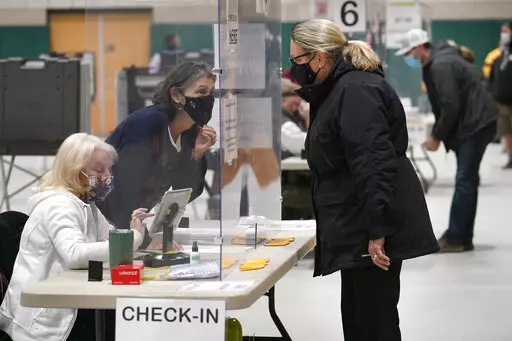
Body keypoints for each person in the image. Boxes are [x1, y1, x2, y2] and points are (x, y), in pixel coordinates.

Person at [289, 19, 439, 341]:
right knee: (358, 317)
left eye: (297, 61)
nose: (294, 69)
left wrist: (377, 231)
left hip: (370, 222)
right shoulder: (340, 88)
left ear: (319, 57)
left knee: (374, 321)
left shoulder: (355, 90)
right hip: (357, 218)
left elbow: (373, 163)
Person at [0, 133, 149, 341]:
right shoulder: (60, 205)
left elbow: (110, 237)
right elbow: (75, 254)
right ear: (75, 171)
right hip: (44, 324)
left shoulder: (87, 205)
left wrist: (131, 230)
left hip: (66, 306)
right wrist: (133, 238)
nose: (107, 176)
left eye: (109, 169)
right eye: (99, 170)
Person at [396, 29, 498, 252]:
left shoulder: (440, 65)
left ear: (421, 46)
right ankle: (462, 237)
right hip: (477, 122)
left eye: (410, 52)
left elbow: (450, 105)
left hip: (475, 124)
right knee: (467, 180)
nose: (409, 58)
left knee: (464, 180)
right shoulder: (442, 60)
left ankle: (456, 237)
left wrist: (436, 136)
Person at [98, 61, 217, 249]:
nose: (208, 100)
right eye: (201, 92)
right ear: (176, 95)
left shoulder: (190, 132)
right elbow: (123, 193)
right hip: (101, 221)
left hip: (129, 224)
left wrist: (196, 155)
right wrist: (145, 242)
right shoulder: (147, 124)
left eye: (211, 93)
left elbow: (186, 192)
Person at [280, 78, 313, 220]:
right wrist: (308, 118)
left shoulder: (289, 119)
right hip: (289, 187)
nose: (298, 104)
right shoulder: (284, 125)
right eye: (294, 100)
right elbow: (309, 144)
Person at [489, 22, 512, 169]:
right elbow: (492, 77)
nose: (503, 34)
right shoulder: (501, 55)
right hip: (502, 102)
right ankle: (511, 157)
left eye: (506, 31)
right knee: (506, 130)